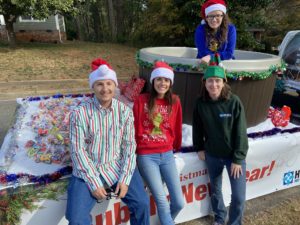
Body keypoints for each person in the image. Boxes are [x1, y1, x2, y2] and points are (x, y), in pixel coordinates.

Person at [66, 58, 150, 225]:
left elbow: (129, 147)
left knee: (142, 204)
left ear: (115, 86)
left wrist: (125, 179)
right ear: (93, 87)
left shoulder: (125, 112)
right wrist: (94, 182)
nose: (105, 89)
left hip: (116, 165)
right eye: (100, 84)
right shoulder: (80, 113)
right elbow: (78, 151)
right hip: (88, 170)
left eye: (109, 84)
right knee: (76, 219)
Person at [192, 56, 248, 225]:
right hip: (213, 155)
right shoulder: (200, 103)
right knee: (216, 191)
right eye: (210, 81)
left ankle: (235, 222)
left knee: (238, 196)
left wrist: (238, 158)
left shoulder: (234, 102)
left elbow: (240, 132)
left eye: (217, 81)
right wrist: (199, 147)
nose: (213, 85)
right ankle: (219, 217)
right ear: (205, 82)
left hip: (233, 157)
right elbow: (197, 127)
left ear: (223, 82)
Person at [133, 61, 185, 225]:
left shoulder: (175, 101)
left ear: (170, 83)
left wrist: (175, 147)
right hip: (147, 156)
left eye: (166, 80)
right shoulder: (141, 100)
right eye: (159, 79)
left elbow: (177, 126)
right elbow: (134, 126)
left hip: (167, 155)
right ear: (153, 81)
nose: (162, 83)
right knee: (162, 202)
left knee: (179, 202)